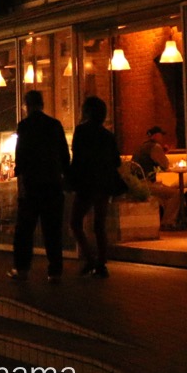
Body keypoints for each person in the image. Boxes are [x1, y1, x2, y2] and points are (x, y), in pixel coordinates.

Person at [8, 89, 71, 283]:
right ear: (42, 104)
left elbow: (21, 158)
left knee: (24, 231)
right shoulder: (55, 125)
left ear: (27, 105)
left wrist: (21, 184)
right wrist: (64, 179)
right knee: (53, 230)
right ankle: (55, 271)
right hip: (53, 184)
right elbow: (64, 156)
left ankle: (22, 269)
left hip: (32, 185)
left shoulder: (25, 126)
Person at [69, 96, 119, 278]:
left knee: (75, 222)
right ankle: (101, 263)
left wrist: (71, 179)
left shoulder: (81, 131)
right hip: (104, 184)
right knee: (100, 224)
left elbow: (77, 158)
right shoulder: (108, 135)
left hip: (86, 183)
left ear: (87, 111)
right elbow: (116, 161)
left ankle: (90, 258)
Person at [132, 126, 182, 229]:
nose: (162, 138)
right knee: (176, 194)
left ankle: (164, 221)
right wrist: (164, 152)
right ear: (156, 135)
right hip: (146, 184)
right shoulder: (155, 147)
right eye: (161, 135)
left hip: (137, 183)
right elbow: (165, 165)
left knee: (165, 195)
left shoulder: (141, 147)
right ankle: (168, 223)